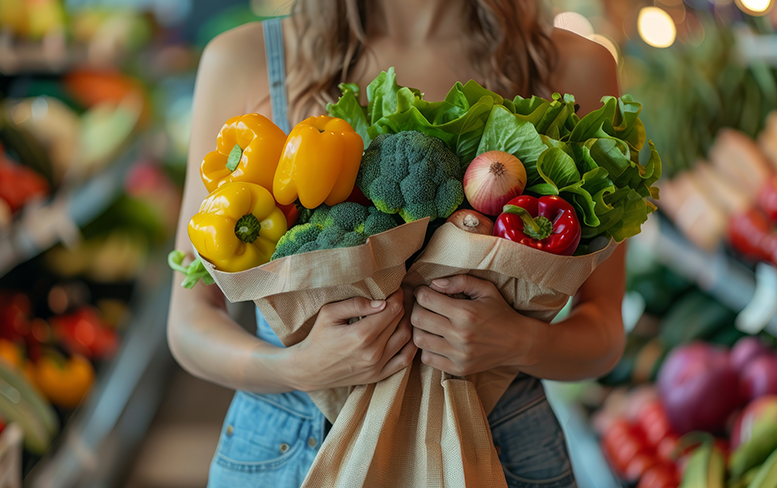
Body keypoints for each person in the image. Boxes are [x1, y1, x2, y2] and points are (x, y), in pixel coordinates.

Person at [167, 1, 626, 487]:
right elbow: (189, 323)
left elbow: (604, 334)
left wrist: (520, 342)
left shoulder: (578, 65)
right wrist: (297, 367)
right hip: (290, 447)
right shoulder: (245, 59)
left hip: (497, 445)